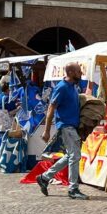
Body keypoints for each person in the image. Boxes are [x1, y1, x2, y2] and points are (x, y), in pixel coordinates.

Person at [36, 63, 89, 200]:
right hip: (66, 126)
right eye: (78, 71)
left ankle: (44, 177)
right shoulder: (62, 87)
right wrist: (47, 131)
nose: (81, 73)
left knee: (71, 155)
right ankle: (73, 189)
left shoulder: (73, 87)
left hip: (72, 126)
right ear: (70, 72)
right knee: (75, 156)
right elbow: (51, 108)